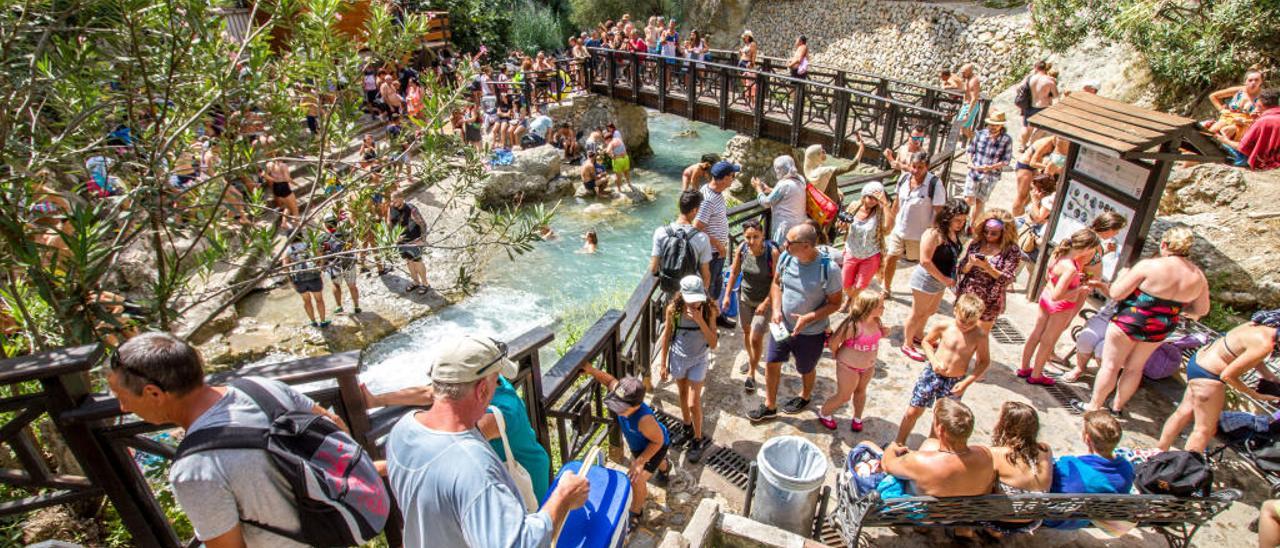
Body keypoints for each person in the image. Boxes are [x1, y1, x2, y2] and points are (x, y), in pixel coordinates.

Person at [108, 332, 348, 547]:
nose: (122, 407)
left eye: (121, 396)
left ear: (153, 393)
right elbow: (334, 425)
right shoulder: (260, 387)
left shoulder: (195, 468)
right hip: (336, 524)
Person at [386, 335, 590, 547]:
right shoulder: (474, 468)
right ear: (482, 389)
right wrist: (563, 497)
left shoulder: (401, 431)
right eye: (496, 381)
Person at [1076, 227, 1210, 416]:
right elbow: (1201, 310)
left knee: (1110, 365)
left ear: (1164, 244)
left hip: (1130, 320)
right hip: (1160, 327)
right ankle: (1117, 408)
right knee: (1134, 369)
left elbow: (1116, 293)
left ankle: (1094, 406)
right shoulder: (1197, 276)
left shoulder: (1149, 266)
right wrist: (1173, 307)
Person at [747, 224, 842, 422]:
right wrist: (776, 309)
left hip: (810, 332)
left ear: (806, 246)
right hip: (782, 326)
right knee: (772, 362)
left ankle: (805, 396)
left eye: (790, 242)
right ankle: (770, 405)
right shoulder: (786, 257)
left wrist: (809, 318)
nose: (785, 244)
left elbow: (835, 303)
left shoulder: (829, 269)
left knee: (805, 368)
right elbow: (776, 284)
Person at [1158, 310, 1280, 452]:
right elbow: (1228, 376)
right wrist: (1257, 395)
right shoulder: (1265, 345)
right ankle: (1184, 468)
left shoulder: (1256, 326)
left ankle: (1159, 451)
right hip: (1210, 377)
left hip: (1199, 362)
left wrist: (1272, 378)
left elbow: (1252, 358)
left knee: (1183, 412)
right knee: (1205, 430)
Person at [578, 367, 671, 528]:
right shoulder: (621, 392)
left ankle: (636, 512)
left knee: (637, 479)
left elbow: (658, 441)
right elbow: (608, 380)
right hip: (638, 444)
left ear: (636, 406)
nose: (618, 411)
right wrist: (589, 369)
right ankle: (665, 466)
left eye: (622, 408)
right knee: (656, 463)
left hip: (655, 444)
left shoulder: (644, 420)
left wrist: (640, 461)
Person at [894, 294, 987, 444]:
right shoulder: (944, 326)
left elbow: (984, 362)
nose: (965, 325)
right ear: (955, 310)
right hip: (932, 375)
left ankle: (930, 449)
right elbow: (926, 342)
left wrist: (966, 383)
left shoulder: (979, 336)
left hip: (955, 382)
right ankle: (898, 443)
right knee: (913, 412)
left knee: (940, 420)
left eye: (971, 323)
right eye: (962, 321)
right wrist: (934, 360)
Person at [1018, 229, 1102, 386]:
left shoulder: (1059, 253)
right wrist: (1080, 289)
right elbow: (1059, 295)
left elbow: (1049, 277)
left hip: (1045, 297)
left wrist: (1076, 279)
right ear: (1086, 248)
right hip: (1060, 305)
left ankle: (1024, 368)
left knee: (1036, 333)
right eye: (1093, 250)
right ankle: (1036, 375)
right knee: (1048, 341)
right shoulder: (1070, 268)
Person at [876, 399, 995, 497]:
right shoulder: (985, 455)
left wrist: (892, 447)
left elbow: (887, 465)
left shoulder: (918, 461)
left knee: (866, 446)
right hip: (960, 514)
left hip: (926, 517)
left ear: (940, 429)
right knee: (930, 443)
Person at [657, 275, 718, 462]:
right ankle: (686, 426)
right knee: (682, 395)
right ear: (682, 296)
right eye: (690, 300)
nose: (694, 304)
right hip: (678, 358)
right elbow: (666, 336)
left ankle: (698, 439)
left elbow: (714, 343)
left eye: (697, 300)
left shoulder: (709, 310)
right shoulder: (673, 310)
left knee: (693, 402)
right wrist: (663, 363)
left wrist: (700, 320)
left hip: (699, 359)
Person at [901, 199, 968, 361]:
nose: (961, 224)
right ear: (948, 217)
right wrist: (945, 279)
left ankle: (918, 335)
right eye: (958, 220)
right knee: (917, 313)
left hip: (940, 281)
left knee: (930, 311)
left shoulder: (953, 233)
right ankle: (907, 344)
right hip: (926, 279)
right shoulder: (933, 234)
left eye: (963, 220)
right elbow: (925, 261)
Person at [955, 209, 1022, 372]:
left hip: (990, 297)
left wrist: (987, 267)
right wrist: (971, 264)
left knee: (980, 335)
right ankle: (958, 362)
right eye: (986, 231)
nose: (989, 236)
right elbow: (961, 269)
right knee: (961, 328)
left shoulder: (1011, 250)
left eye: (994, 233)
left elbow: (1007, 278)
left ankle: (979, 368)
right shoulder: (976, 243)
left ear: (1004, 232)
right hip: (969, 293)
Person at [1045, 411, 1134, 530]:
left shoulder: (1069, 464)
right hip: (1087, 519)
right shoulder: (1127, 468)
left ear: (1086, 439)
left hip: (1055, 519)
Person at [817, 289, 885, 432]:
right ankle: (824, 413)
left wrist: (885, 332)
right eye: (880, 306)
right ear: (869, 308)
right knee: (844, 396)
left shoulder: (877, 321)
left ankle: (857, 418)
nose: (883, 308)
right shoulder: (853, 325)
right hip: (848, 366)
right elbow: (833, 342)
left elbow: (877, 336)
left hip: (869, 366)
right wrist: (836, 355)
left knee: (861, 391)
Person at [724, 219, 780, 391]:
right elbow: (734, 272)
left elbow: (776, 281)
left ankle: (752, 373)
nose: (752, 241)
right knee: (747, 333)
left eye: (756, 236)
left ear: (763, 235)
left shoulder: (772, 253)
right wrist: (726, 295)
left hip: (764, 302)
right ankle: (752, 360)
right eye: (748, 237)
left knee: (756, 337)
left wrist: (767, 302)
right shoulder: (742, 249)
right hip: (745, 299)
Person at [983, 402, 1053, 536]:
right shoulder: (1045, 449)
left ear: (1006, 425)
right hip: (1031, 521)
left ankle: (965, 530)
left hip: (999, 521)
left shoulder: (995, 454)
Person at [883, 151, 946, 295]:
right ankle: (886, 288)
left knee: (923, 263)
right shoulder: (904, 178)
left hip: (920, 234)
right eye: (913, 166)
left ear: (927, 167)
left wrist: (934, 234)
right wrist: (890, 222)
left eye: (920, 167)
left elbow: (939, 211)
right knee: (891, 256)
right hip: (899, 229)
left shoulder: (935, 184)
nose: (915, 170)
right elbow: (897, 202)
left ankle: (922, 291)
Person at [650, 190, 714, 293]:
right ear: (695, 210)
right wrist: (703, 295)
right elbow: (705, 274)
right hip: (691, 294)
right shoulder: (702, 238)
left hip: (670, 290)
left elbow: (653, 268)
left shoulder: (661, 232)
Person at [695, 161, 735, 312]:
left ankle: (716, 315)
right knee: (709, 287)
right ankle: (708, 319)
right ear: (724, 178)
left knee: (716, 285)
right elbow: (697, 227)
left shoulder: (714, 192)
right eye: (732, 176)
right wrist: (718, 245)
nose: (733, 179)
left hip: (718, 251)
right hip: (711, 253)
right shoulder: (708, 200)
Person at [839, 182, 891, 297]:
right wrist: (842, 225)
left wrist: (886, 204)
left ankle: (851, 302)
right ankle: (851, 299)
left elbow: (888, 229)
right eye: (870, 197)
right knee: (845, 283)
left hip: (871, 255)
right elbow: (845, 224)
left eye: (876, 199)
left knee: (861, 285)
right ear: (863, 196)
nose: (873, 201)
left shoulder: (881, 211)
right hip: (851, 251)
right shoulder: (854, 206)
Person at [963, 111, 1012, 227]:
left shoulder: (1006, 139)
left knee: (980, 202)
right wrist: (970, 162)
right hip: (975, 172)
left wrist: (990, 167)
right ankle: (962, 222)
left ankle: (972, 225)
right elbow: (970, 150)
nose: (992, 127)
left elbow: (1006, 160)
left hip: (991, 176)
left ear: (1001, 126)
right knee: (968, 199)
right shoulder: (979, 134)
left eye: (995, 125)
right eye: (991, 124)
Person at [803, 139, 865, 226]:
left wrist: (837, 189)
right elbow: (850, 166)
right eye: (821, 152)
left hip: (816, 211)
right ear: (816, 156)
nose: (825, 152)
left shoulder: (809, 171)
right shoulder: (825, 171)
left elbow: (824, 183)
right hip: (829, 211)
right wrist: (861, 148)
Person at [751, 155, 808, 244]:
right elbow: (789, 193)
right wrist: (770, 190)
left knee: (780, 251)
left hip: (785, 227)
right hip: (800, 223)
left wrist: (758, 188)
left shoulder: (783, 184)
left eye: (777, 169)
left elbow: (766, 203)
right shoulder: (800, 179)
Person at [387, 193, 431, 294]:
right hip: (400, 242)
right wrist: (393, 237)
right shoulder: (391, 208)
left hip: (414, 240)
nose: (393, 203)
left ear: (402, 199)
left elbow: (422, 224)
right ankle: (415, 282)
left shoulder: (411, 209)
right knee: (409, 261)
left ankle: (425, 284)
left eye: (395, 201)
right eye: (392, 201)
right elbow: (389, 222)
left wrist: (423, 240)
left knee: (417, 261)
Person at [1013, 135, 1065, 216]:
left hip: (1036, 169)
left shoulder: (1059, 145)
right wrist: (1051, 168)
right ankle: (1014, 217)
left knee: (1031, 196)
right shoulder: (1047, 142)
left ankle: (1021, 216)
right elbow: (1033, 163)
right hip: (1025, 166)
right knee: (1022, 196)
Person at [1228, 88, 1280, 171]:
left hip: (1263, 161)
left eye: (1257, 105)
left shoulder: (1263, 121)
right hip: (1276, 158)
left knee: (1223, 145)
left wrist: (1222, 139)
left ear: (1261, 105)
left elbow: (1242, 147)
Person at [1207, 70, 1265, 143]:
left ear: (1261, 81)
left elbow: (1263, 117)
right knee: (1211, 132)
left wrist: (1245, 121)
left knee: (1227, 131)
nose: (1253, 82)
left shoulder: (1263, 96)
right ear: (1245, 81)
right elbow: (1213, 96)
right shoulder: (1238, 90)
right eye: (1250, 80)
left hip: (1246, 123)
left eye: (1256, 80)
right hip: (1228, 118)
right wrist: (1221, 109)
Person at [321, 215, 361, 315]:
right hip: (348, 263)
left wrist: (322, 265)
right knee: (352, 286)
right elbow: (354, 244)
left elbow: (320, 253)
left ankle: (339, 306)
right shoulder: (345, 233)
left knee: (336, 285)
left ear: (326, 225)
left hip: (333, 265)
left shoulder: (322, 238)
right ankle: (356, 306)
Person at [284, 241, 329, 328]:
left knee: (307, 301)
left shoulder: (289, 250)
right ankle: (323, 321)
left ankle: (313, 322)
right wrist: (320, 268)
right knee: (319, 300)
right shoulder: (310, 244)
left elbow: (285, 267)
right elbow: (321, 256)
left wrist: (290, 281)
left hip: (299, 279)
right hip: (313, 277)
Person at [1020, 60, 1058, 150]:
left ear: (1035, 68)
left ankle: (1022, 146)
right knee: (1041, 129)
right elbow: (1056, 97)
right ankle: (1030, 145)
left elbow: (1019, 88)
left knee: (1026, 127)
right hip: (1042, 107)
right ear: (1045, 68)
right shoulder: (1049, 81)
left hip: (1029, 105)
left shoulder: (1030, 78)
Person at [954, 63, 982, 145]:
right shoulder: (967, 79)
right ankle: (977, 142)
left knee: (960, 126)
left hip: (971, 106)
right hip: (966, 105)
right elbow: (966, 93)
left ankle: (977, 142)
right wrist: (963, 105)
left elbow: (974, 97)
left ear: (969, 71)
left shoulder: (974, 81)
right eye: (962, 72)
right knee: (965, 129)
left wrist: (968, 112)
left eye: (964, 72)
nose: (962, 74)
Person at [606, 124, 633, 190]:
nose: (606, 141)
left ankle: (619, 190)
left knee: (618, 176)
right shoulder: (618, 139)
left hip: (618, 160)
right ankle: (629, 184)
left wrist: (612, 156)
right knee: (626, 172)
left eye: (606, 140)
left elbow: (607, 151)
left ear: (608, 139)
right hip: (626, 158)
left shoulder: (611, 142)